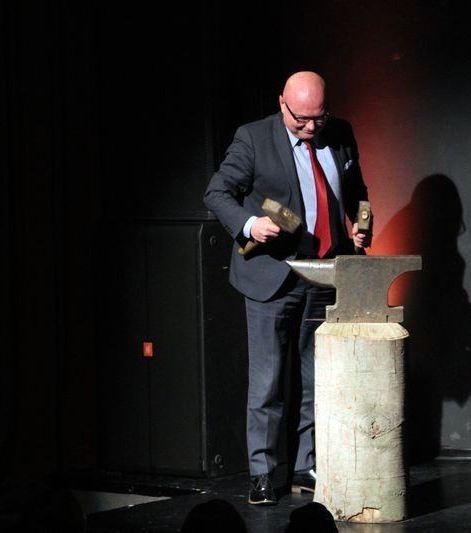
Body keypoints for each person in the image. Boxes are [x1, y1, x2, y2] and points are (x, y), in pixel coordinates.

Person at [203, 71, 369, 505]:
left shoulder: (340, 133)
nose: (311, 127)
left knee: (317, 379)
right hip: (272, 275)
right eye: (301, 119)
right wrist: (249, 224)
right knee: (268, 381)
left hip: (325, 273)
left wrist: (360, 225)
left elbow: (358, 192)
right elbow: (217, 192)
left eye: (319, 117)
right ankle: (261, 473)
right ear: (282, 104)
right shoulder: (253, 138)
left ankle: (304, 465)